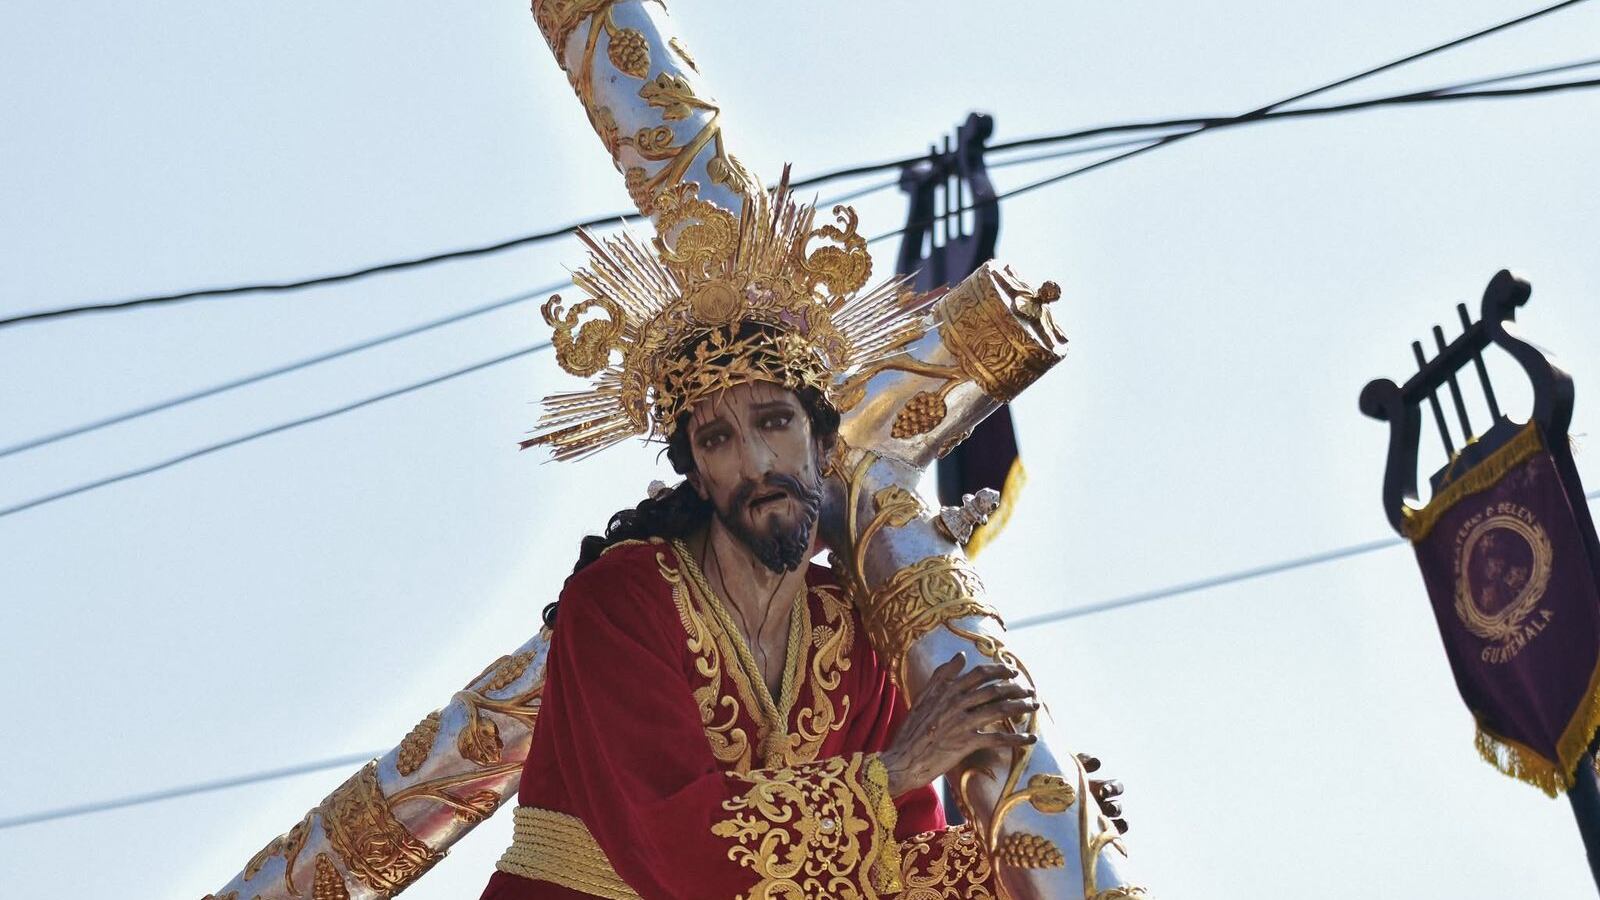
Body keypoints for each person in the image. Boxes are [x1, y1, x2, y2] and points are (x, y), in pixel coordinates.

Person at [481, 186, 1121, 897]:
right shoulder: (621, 600)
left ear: (820, 443)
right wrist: (897, 770)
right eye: (719, 439)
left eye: (774, 422)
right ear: (696, 477)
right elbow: (674, 844)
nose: (756, 463)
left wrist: (1022, 831)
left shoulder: (848, 630)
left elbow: (893, 868)